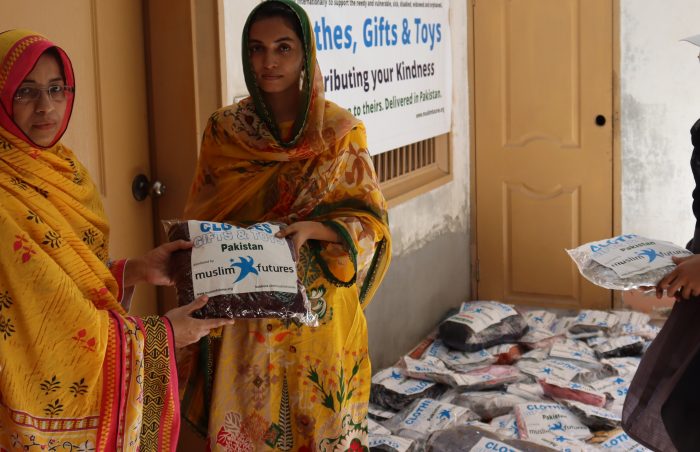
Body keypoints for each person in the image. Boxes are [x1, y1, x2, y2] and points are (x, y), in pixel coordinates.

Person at [0, 29, 233, 450]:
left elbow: (60, 284)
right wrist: (163, 336)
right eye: (25, 92)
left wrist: (135, 270)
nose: (46, 106)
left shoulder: (64, 170)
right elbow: (43, 324)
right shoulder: (4, 198)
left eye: (56, 88)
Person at [180, 0, 391, 449]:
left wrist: (315, 230)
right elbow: (204, 216)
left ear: (305, 54)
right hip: (246, 308)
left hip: (319, 312)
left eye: (283, 48)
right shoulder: (224, 131)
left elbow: (370, 220)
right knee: (251, 427)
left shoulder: (338, 132)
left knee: (319, 424)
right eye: (257, 49)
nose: (269, 61)